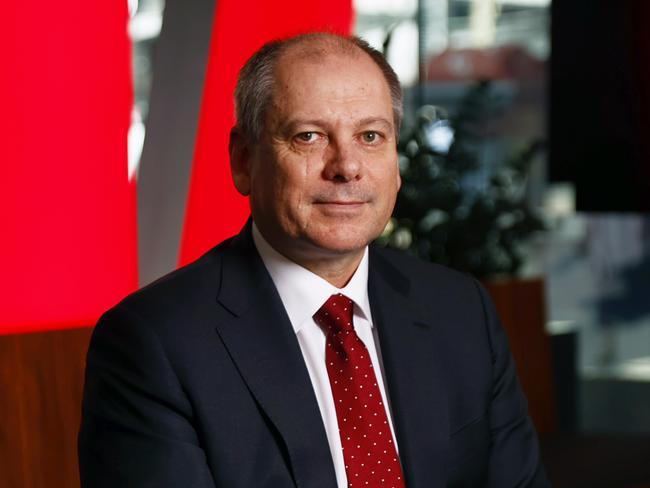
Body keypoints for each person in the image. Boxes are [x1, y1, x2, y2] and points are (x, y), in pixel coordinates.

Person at [79, 32, 549, 487]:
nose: (346, 166)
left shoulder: (460, 311)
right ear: (244, 160)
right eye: (308, 136)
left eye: (370, 136)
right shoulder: (154, 343)